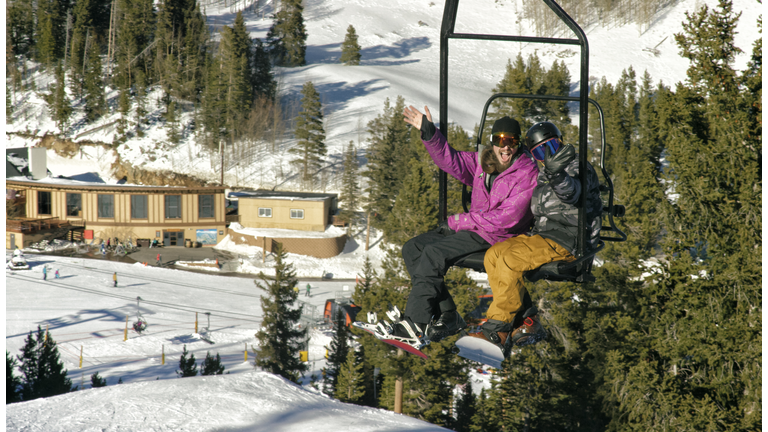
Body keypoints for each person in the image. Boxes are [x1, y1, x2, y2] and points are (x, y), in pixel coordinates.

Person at [391, 105, 539, 343]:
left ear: (518, 142)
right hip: (477, 229)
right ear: (492, 141)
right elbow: (452, 161)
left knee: (434, 253)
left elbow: (506, 219)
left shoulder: (526, 173)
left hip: (500, 237)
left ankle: (416, 322)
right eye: (500, 140)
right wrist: (430, 133)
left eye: (511, 140)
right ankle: (448, 315)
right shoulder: (484, 163)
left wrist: (459, 221)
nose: (505, 146)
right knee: (413, 248)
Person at [469, 121, 603, 352]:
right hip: (544, 235)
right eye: (540, 151)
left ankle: (498, 329)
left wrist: (555, 172)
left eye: (551, 146)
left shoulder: (577, 166)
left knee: (511, 260)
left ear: (560, 141)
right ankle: (526, 320)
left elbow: (570, 193)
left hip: (569, 238)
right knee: (494, 255)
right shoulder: (544, 171)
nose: (547, 154)